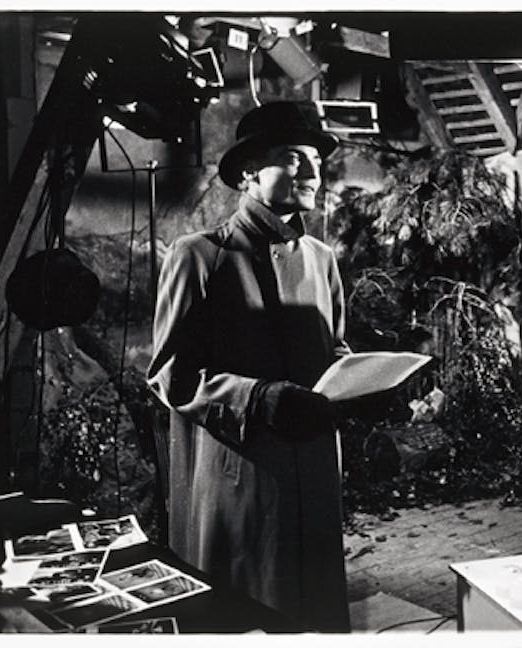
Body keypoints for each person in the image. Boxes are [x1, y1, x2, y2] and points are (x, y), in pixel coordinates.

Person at [147, 101, 351, 632]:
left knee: (315, 614)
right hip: (241, 477)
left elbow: (334, 349)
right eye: (294, 158)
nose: (312, 173)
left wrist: (363, 382)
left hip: (314, 470)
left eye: (317, 161)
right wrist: (258, 397)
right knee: (250, 615)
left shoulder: (322, 259)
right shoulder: (199, 256)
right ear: (248, 174)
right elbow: (170, 374)